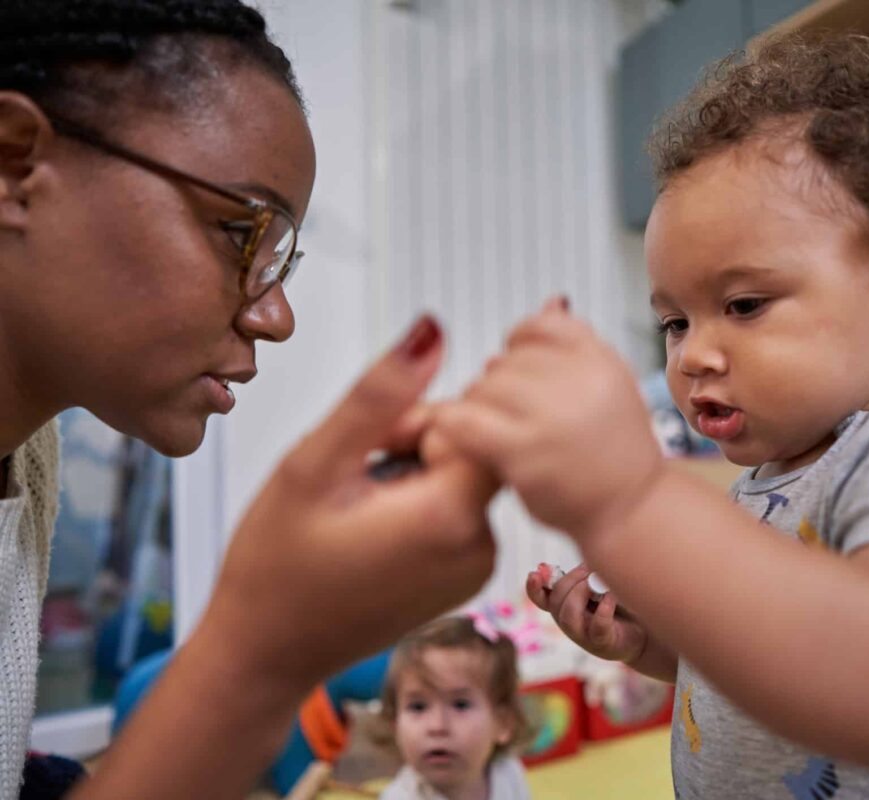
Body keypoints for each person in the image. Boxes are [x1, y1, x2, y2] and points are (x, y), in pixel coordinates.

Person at [431, 34, 869, 798]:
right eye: (676, 323)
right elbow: (765, 667)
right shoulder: (768, 483)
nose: (693, 355)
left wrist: (629, 502)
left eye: (743, 305)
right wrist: (655, 644)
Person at [0, 2, 497, 798]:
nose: (276, 315)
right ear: (16, 162)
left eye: (281, 262)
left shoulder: (28, 453)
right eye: (240, 233)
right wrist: (259, 652)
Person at [379, 617, 530, 800]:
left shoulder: (507, 773)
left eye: (460, 705)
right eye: (418, 707)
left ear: (503, 723)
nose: (437, 726)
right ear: (395, 724)